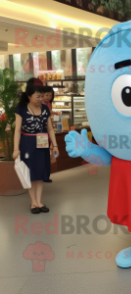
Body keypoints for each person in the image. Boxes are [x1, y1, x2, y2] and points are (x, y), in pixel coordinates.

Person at [13, 79, 59, 214]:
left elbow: (50, 129)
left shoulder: (45, 109)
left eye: (42, 96)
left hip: (43, 143)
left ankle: (39, 201)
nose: (41, 99)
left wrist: (54, 145)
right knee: (30, 174)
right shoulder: (21, 109)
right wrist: (16, 148)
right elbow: (17, 130)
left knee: (40, 173)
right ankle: (33, 202)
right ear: (29, 96)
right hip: (28, 143)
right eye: (38, 96)